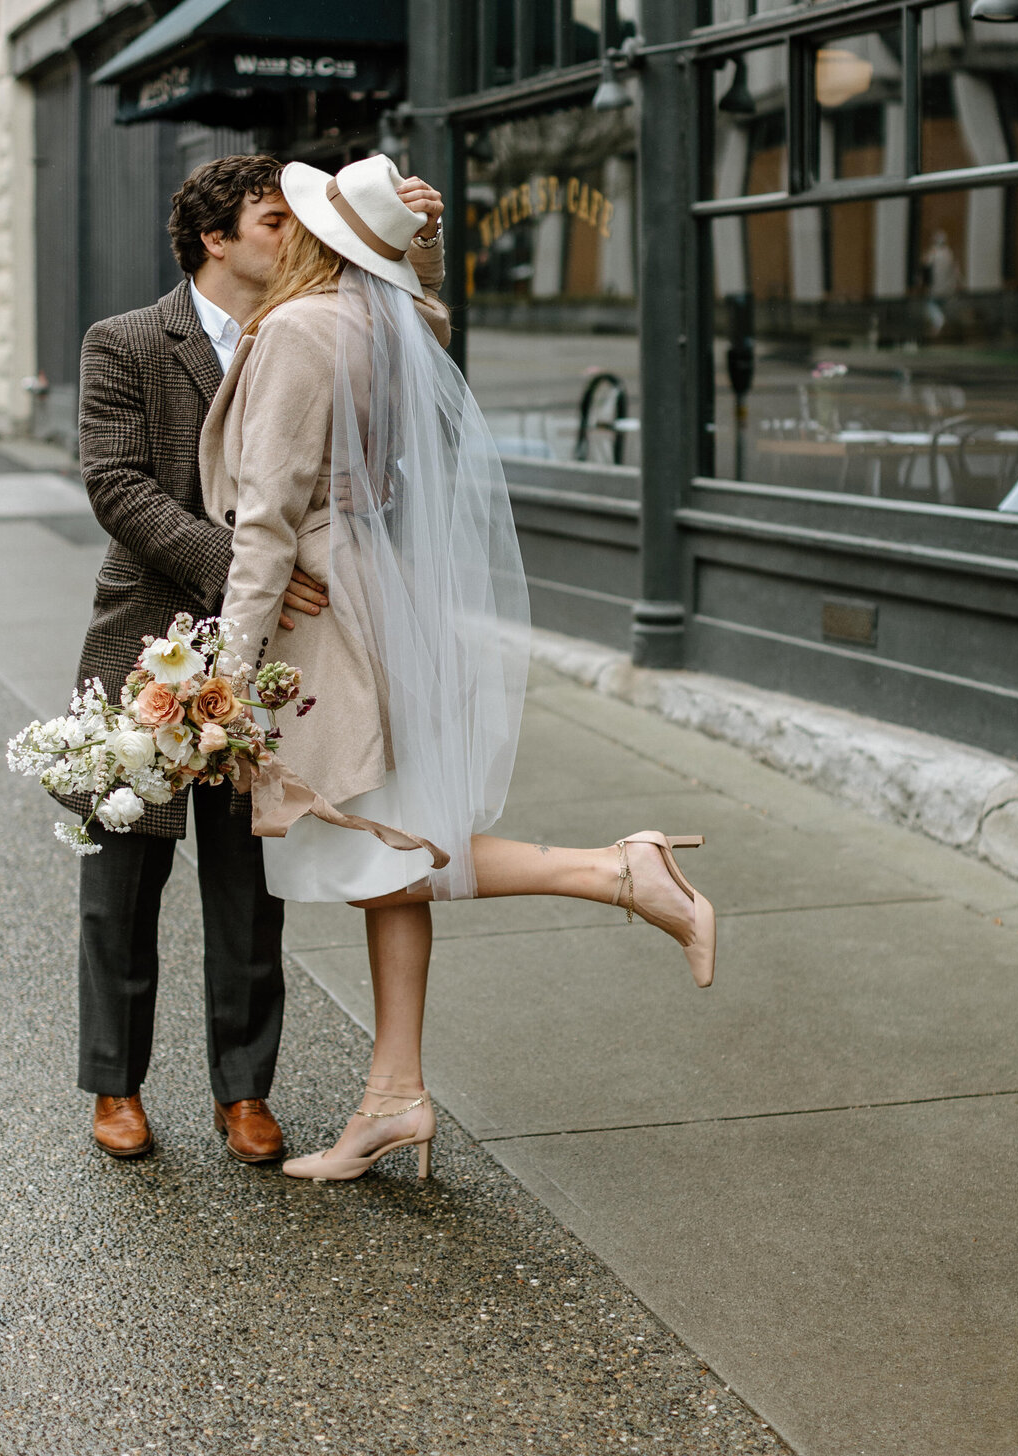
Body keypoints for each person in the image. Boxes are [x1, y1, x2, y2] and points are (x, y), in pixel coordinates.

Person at [199, 155, 716, 1184]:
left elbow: (263, 526)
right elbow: (420, 301)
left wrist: (221, 675)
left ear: (306, 236)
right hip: (382, 589)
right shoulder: (398, 327)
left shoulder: (302, 331)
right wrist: (412, 239)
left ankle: (621, 870)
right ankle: (395, 1098)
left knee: (390, 841)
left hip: (328, 616)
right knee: (391, 858)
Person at [67, 153, 449, 1162]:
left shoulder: (317, 323)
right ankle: (116, 1086)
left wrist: (411, 240)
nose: (295, 233)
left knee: (248, 881)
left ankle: (245, 1091)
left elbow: (418, 365)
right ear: (214, 238)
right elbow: (116, 485)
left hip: (272, 654)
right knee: (124, 880)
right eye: (275, 219)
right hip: (147, 641)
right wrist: (250, 565)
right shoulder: (125, 342)